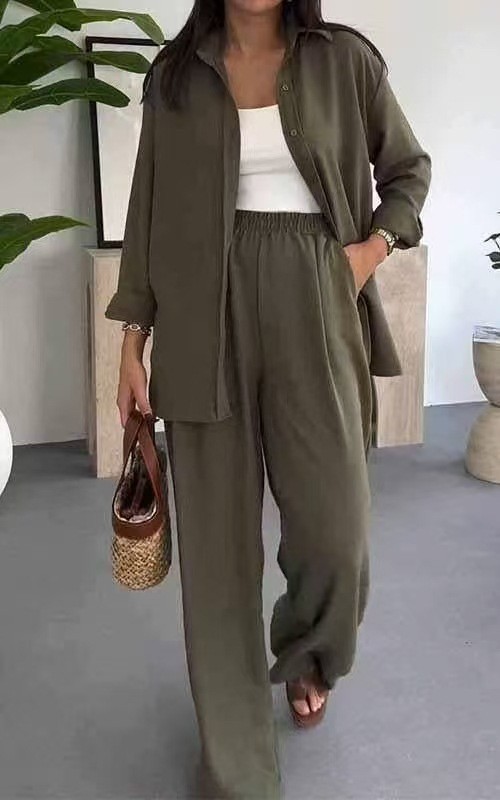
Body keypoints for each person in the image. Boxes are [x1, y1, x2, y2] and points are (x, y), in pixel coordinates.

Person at [105, 0, 432, 797]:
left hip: (314, 290)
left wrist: (369, 250)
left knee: (336, 529)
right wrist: (132, 343)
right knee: (217, 555)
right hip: (199, 309)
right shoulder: (176, 76)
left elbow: (407, 169)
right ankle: (236, 769)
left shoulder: (344, 61)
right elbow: (147, 211)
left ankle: (310, 650)